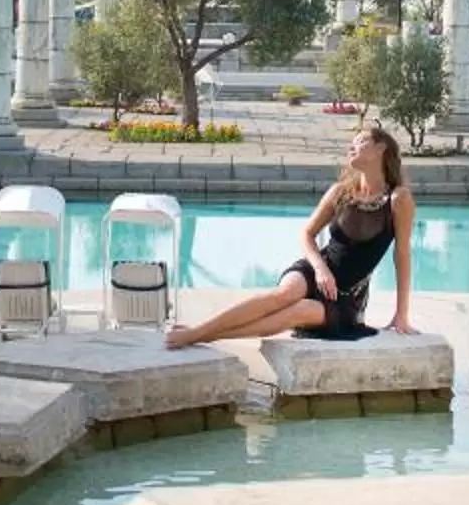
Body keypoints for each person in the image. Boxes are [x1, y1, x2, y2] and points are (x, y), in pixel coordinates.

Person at [163, 125, 415, 348]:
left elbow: (402, 255)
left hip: (346, 297)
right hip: (316, 270)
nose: (351, 148)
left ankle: (201, 336)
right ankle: (198, 332)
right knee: (283, 295)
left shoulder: (398, 199)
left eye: (360, 141)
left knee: (297, 311)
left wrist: (401, 314)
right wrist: (320, 269)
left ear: (381, 148)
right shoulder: (340, 192)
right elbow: (307, 233)